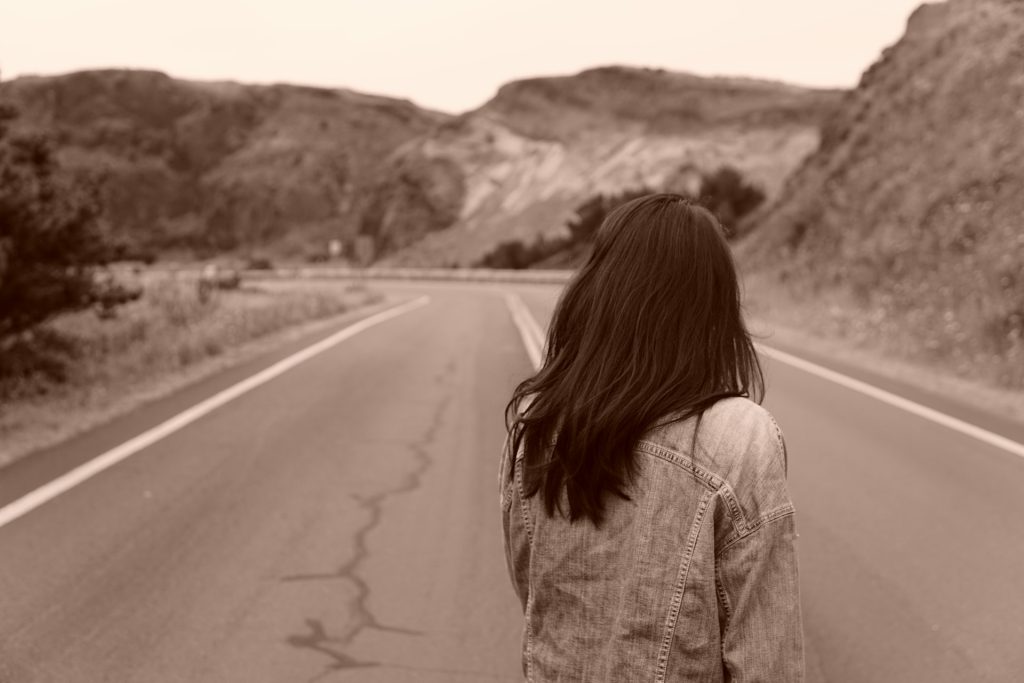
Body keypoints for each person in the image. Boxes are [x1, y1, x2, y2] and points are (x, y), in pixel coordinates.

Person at [500, 194, 804, 681]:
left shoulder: (540, 422)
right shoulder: (738, 436)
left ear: (599, 294)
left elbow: (534, 592)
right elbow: (768, 659)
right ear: (714, 309)